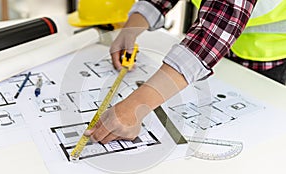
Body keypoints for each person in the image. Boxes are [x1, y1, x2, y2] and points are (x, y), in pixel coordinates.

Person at [85, 0, 286, 144]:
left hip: (269, 61)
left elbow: (215, 28)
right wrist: (133, 26)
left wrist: (135, 106)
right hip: (218, 59)